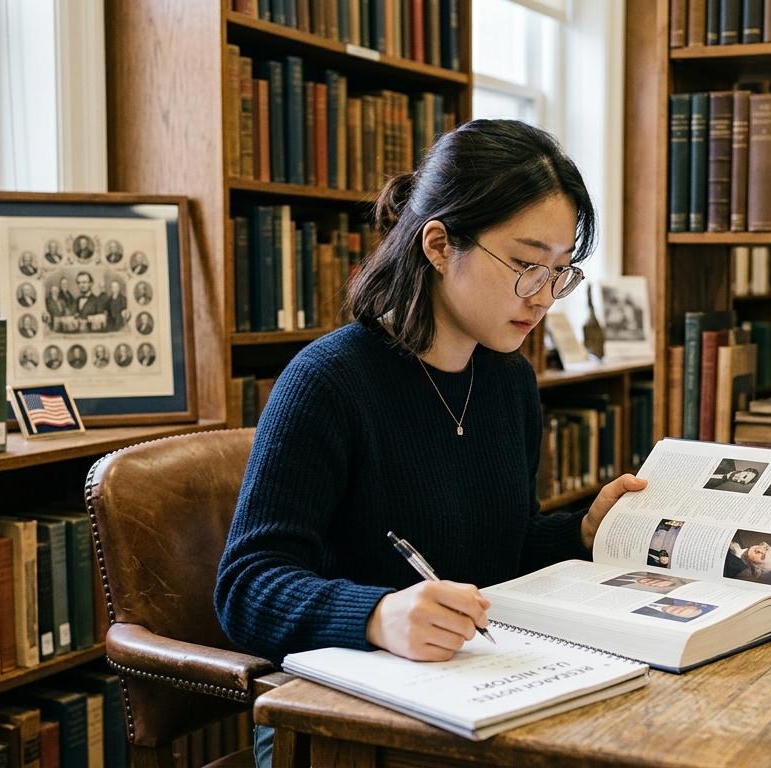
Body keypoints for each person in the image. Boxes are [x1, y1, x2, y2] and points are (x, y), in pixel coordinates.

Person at [213, 121, 649, 766]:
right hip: (344, 721)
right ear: (440, 245)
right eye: (527, 265)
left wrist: (580, 533)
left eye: (561, 272)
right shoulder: (328, 382)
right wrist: (377, 614)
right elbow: (245, 587)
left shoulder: (508, 380)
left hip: (476, 692)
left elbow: (498, 548)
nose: (544, 298)